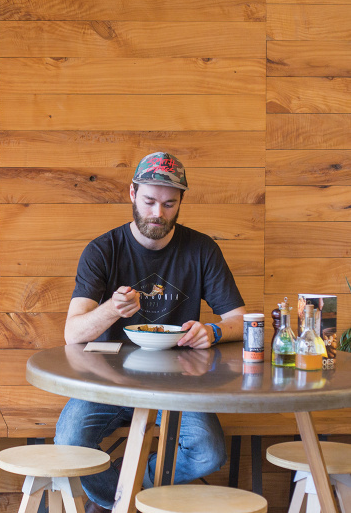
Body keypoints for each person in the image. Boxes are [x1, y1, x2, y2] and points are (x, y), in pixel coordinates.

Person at [55, 152, 246, 512]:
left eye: (169, 204)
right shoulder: (102, 250)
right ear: (132, 193)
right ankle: (124, 502)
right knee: (69, 442)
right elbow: (73, 333)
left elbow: (241, 320)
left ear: (180, 203)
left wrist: (214, 332)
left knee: (208, 452)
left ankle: (123, 494)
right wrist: (112, 308)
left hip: (178, 384)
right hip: (106, 381)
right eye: (149, 201)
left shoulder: (201, 249)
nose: (158, 213)